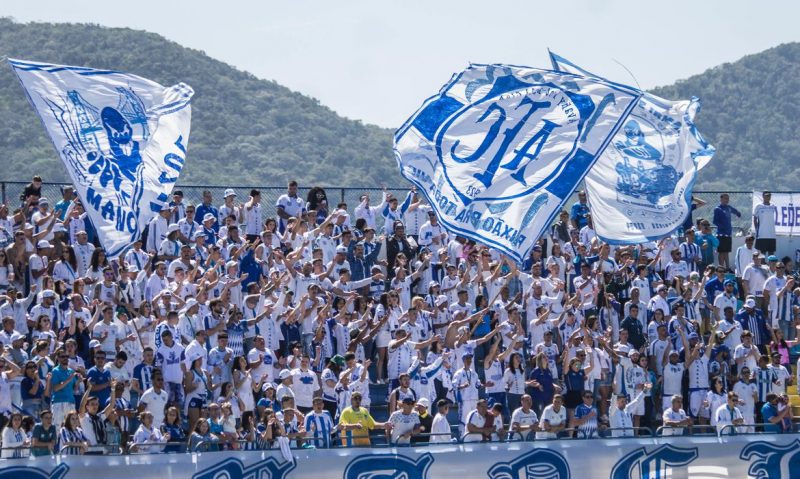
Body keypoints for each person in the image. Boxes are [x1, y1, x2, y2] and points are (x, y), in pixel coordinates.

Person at [712, 194, 741, 270]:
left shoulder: (729, 208)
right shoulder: (717, 209)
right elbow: (715, 221)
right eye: (725, 198)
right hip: (721, 234)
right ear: (721, 199)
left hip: (728, 234)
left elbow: (735, 211)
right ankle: (721, 268)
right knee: (721, 252)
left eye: (728, 198)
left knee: (726, 252)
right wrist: (722, 227)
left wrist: (738, 213)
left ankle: (727, 268)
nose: (727, 200)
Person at [752, 191, 777, 255]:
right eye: (766, 196)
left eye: (769, 195)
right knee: (762, 254)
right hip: (762, 234)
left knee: (771, 254)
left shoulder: (773, 206)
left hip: (771, 234)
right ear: (763, 196)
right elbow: (755, 219)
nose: (768, 197)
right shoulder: (758, 206)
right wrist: (757, 230)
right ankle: (762, 265)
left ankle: (771, 265)